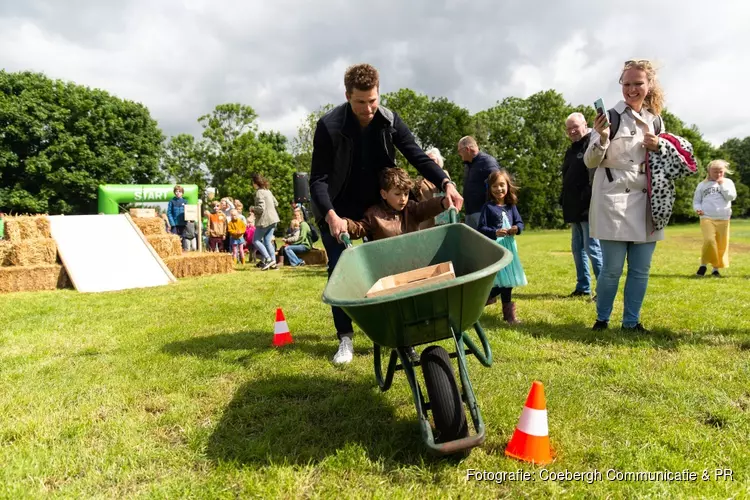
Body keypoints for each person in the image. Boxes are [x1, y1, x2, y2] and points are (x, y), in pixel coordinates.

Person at [309, 63, 464, 365]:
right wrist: (329, 214)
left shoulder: (389, 121)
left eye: (373, 101)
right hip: (338, 206)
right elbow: (318, 179)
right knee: (341, 269)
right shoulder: (329, 126)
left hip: (378, 203)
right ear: (347, 96)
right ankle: (345, 339)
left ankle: (401, 337)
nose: (367, 109)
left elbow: (416, 154)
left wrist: (446, 182)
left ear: (379, 93)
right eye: (359, 102)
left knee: (392, 266)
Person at [584, 59, 666, 332]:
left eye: (638, 83)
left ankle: (631, 322)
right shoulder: (610, 116)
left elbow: (668, 163)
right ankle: (602, 319)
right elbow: (590, 161)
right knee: (612, 270)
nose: (632, 89)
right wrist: (603, 137)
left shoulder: (656, 120)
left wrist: (659, 147)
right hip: (614, 201)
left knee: (641, 269)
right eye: (627, 84)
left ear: (649, 85)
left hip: (647, 204)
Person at [343, 168, 451, 361]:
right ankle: (405, 345)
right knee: (399, 311)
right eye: (397, 194)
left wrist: (443, 202)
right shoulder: (374, 215)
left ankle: (416, 336)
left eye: (406, 193)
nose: (403, 198)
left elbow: (425, 208)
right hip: (387, 272)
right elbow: (360, 228)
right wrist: (345, 224)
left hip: (410, 267)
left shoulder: (411, 209)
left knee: (415, 306)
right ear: (384, 194)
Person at [561, 112, 602, 298]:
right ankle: (583, 286)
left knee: (592, 248)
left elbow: (595, 178)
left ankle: (603, 289)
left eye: (575, 127)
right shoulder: (571, 149)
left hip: (588, 207)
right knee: (577, 249)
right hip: (573, 208)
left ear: (585, 125)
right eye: (569, 128)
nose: (572, 131)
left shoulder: (591, 144)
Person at [477, 170, 527, 324]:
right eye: (494, 186)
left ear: (507, 186)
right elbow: (481, 228)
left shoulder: (511, 207)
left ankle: (508, 315)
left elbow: (520, 223)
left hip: (510, 248)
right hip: (497, 249)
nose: (499, 189)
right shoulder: (488, 207)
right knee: (503, 281)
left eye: (502, 185)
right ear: (490, 189)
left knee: (509, 281)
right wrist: (495, 232)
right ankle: (485, 298)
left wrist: (516, 229)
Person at [693, 159, 737, 277]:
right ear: (709, 171)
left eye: (720, 172)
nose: (718, 174)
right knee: (709, 241)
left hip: (724, 218)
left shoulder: (728, 182)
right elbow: (697, 201)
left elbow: (731, 197)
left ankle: (715, 269)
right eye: (715, 172)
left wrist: (721, 184)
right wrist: (697, 209)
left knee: (721, 244)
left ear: (724, 171)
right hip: (706, 217)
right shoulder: (702, 184)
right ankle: (703, 264)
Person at [458, 136, 500, 230]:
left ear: (467, 149)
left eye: (459, 151)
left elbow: (499, 187)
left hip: (484, 213)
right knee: (473, 244)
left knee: (486, 243)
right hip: (470, 213)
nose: (459, 154)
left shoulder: (487, 162)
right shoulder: (468, 165)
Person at [414, 147, 452, 229]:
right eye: (428, 160)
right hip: (426, 223)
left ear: (439, 161)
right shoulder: (420, 180)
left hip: (442, 221)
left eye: (433, 160)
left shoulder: (444, 176)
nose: (431, 163)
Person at [250, 173, 280, 271]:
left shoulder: (259, 192)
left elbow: (261, 208)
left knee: (256, 240)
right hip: (274, 219)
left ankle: (267, 259)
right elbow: (276, 203)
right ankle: (274, 263)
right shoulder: (268, 191)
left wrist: (253, 208)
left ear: (255, 183)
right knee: (267, 241)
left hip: (265, 220)